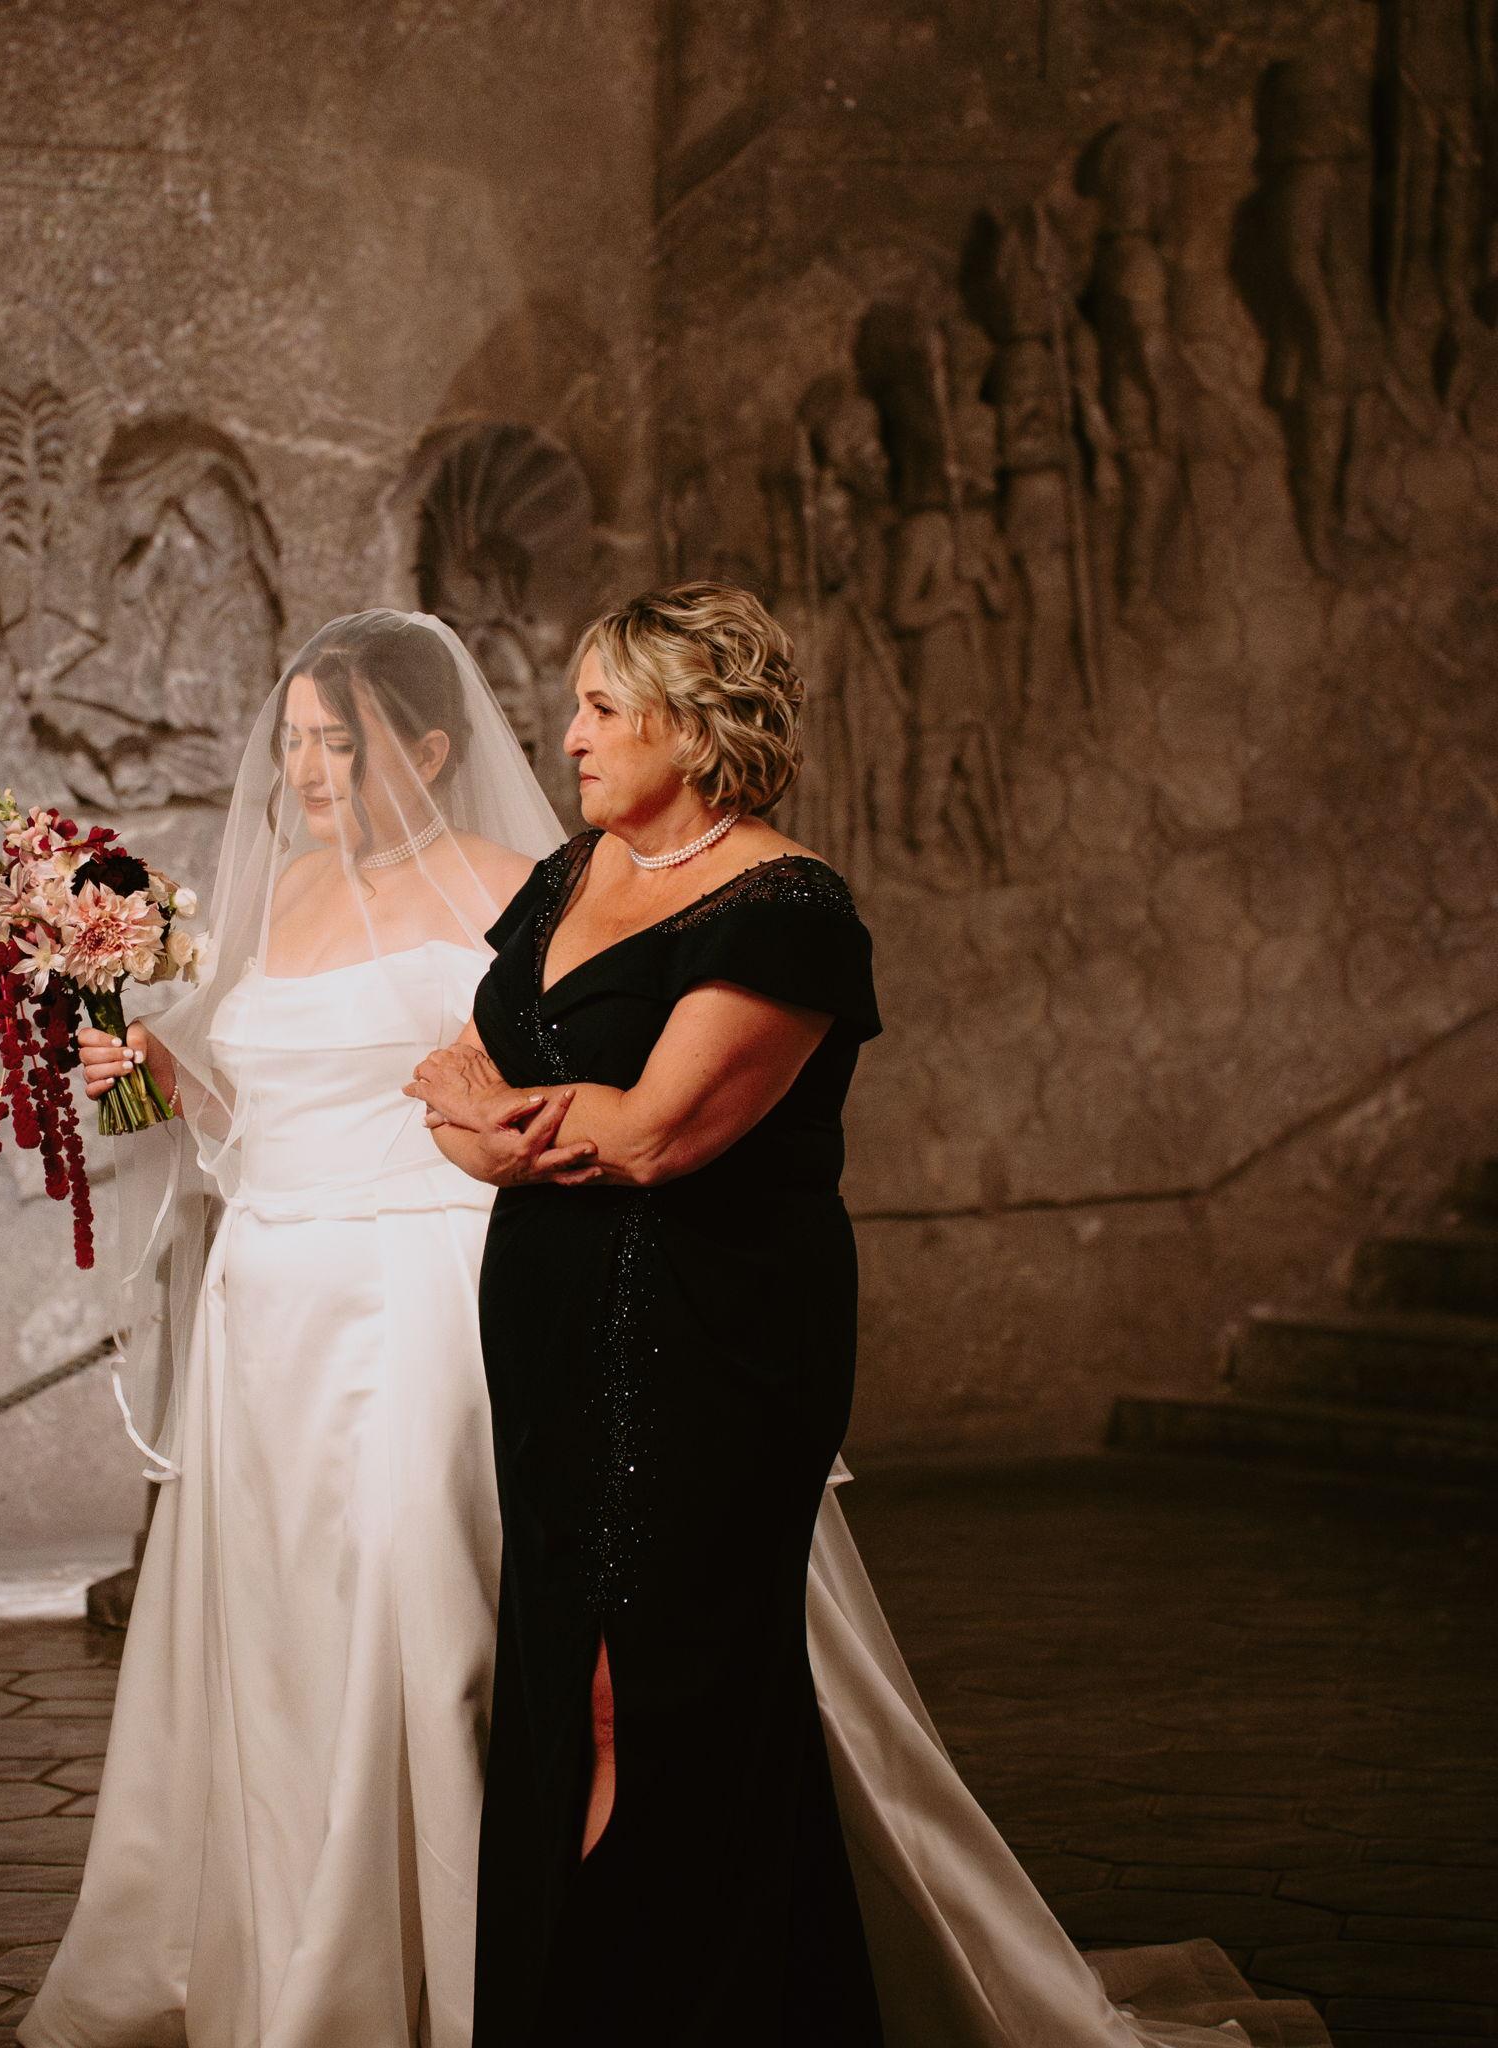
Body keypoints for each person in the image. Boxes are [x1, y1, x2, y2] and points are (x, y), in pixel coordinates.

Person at [408, 582, 1319, 2048]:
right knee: (559, 1668)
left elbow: (654, 1138)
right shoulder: (570, 875)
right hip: (548, 1328)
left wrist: (499, 1115)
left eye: (599, 708)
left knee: (666, 1680)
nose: (564, 736)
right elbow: (449, 1083)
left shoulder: (789, 911)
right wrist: (500, 1122)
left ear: (692, 729)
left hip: (712, 1341)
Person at [18, 611, 583, 2048]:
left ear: (433, 750)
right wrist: (139, 1062)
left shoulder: (515, 890)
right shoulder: (279, 899)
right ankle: (296, 1959)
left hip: (425, 1287)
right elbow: (233, 1124)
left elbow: (548, 1098)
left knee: (419, 1610)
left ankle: (452, 1967)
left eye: (342, 742)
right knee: (284, 1640)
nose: (309, 772)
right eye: (295, 745)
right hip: (267, 1297)